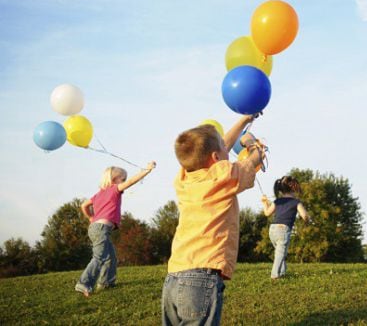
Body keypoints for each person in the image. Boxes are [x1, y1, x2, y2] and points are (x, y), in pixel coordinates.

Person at [162, 115, 265, 325]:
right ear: (217, 158)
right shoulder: (223, 175)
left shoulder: (183, 178)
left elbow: (219, 148)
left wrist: (244, 120)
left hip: (174, 277)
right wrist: (254, 146)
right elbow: (252, 162)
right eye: (224, 150)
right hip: (201, 278)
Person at [75, 162, 156, 297]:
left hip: (97, 228)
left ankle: (106, 283)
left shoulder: (98, 194)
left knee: (110, 257)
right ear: (114, 180)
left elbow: (84, 205)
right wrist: (147, 170)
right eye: (122, 179)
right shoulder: (114, 189)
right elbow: (131, 182)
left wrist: (90, 217)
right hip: (101, 228)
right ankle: (84, 283)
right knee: (100, 257)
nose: (124, 182)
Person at [261, 175, 310, 279]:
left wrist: (264, 203)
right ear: (294, 188)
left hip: (272, 230)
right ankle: (274, 276)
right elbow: (304, 215)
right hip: (283, 230)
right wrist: (307, 220)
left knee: (281, 252)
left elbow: (267, 213)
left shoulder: (277, 201)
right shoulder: (296, 202)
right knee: (280, 254)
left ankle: (282, 272)